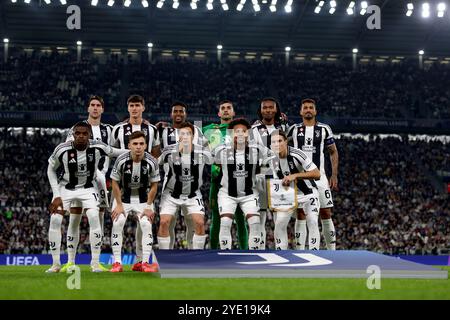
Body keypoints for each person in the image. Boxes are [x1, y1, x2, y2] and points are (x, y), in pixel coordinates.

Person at [46, 122, 126, 273]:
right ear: (73, 134)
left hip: (88, 188)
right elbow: (50, 170)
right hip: (66, 188)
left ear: (89, 135)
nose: (81, 136)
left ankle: (95, 263)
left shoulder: (98, 146)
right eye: (78, 133)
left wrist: (137, 151)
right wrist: (56, 194)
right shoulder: (62, 149)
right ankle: (55, 264)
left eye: (84, 133)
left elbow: (116, 152)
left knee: (94, 217)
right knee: (55, 219)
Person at [62, 95, 113, 272]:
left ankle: (95, 262)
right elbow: (68, 150)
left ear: (102, 109)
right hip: (79, 179)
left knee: (98, 217)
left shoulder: (109, 130)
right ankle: (70, 261)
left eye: (98, 105)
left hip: (100, 178)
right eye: (92, 105)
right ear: (88, 108)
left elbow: (114, 150)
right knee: (74, 218)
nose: (95, 108)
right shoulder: (78, 129)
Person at [111, 94, 160, 271]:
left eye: (137, 105)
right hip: (122, 196)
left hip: (142, 197)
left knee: (146, 223)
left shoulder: (152, 132)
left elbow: (154, 184)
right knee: (117, 222)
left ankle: (143, 262)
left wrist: (148, 205)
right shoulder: (118, 131)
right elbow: (114, 178)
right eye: (131, 105)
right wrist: (117, 204)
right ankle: (117, 263)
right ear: (130, 144)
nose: (134, 108)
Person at [214, 118, 275, 250]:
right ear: (231, 134)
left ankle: (254, 255)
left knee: (255, 223)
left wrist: (261, 172)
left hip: (249, 194)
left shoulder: (258, 149)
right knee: (225, 222)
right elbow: (214, 161)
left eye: (243, 131)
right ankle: (226, 255)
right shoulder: (221, 149)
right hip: (227, 194)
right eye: (237, 131)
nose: (240, 134)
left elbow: (274, 159)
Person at [287, 98, 338, 250]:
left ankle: (332, 252)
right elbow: (281, 145)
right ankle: (300, 251)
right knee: (301, 213)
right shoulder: (293, 129)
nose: (308, 110)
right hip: (299, 178)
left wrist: (334, 174)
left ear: (315, 111)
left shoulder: (324, 129)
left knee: (326, 212)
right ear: (301, 111)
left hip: (320, 177)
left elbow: (333, 151)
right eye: (305, 108)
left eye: (311, 107)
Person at [158, 101, 206, 249]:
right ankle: (168, 256)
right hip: (170, 182)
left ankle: (193, 255)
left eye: (181, 111)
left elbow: (206, 146)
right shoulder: (163, 130)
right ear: (171, 114)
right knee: (168, 222)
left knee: (193, 223)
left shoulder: (196, 130)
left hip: (192, 183)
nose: (178, 114)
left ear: (185, 114)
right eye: (175, 111)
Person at [202, 100, 248, 249]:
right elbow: (189, 133)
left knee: (241, 219)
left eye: (229, 108)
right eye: (223, 108)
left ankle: (245, 253)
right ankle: (213, 253)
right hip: (217, 180)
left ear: (234, 112)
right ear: (219, 113)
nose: (226, 110)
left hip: (240, 179)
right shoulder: (210, 130)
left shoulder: (242, 130)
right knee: (216, 218)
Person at [268, 130, 321, 250]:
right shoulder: (271, 160)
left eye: (280, 141)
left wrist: (295, 175)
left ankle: (314, 253)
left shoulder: (297, 154)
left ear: (286, 142)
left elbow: (317, 174)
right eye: (274, 142)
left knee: (312, 221)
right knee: (280, 223)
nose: (277, 144)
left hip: (308, 192)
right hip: (288, 195)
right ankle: (281, 253)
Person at [251, 97, 288, 249]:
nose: (267, 110)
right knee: (260, 217)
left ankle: (281, 251)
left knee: (280, 219)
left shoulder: (284, 129)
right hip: (260, 177)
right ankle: (259, 251)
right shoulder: (253, 130)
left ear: (276, 110)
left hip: (280, 178)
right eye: (264, 107)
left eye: (270, 107)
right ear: (260, 111)